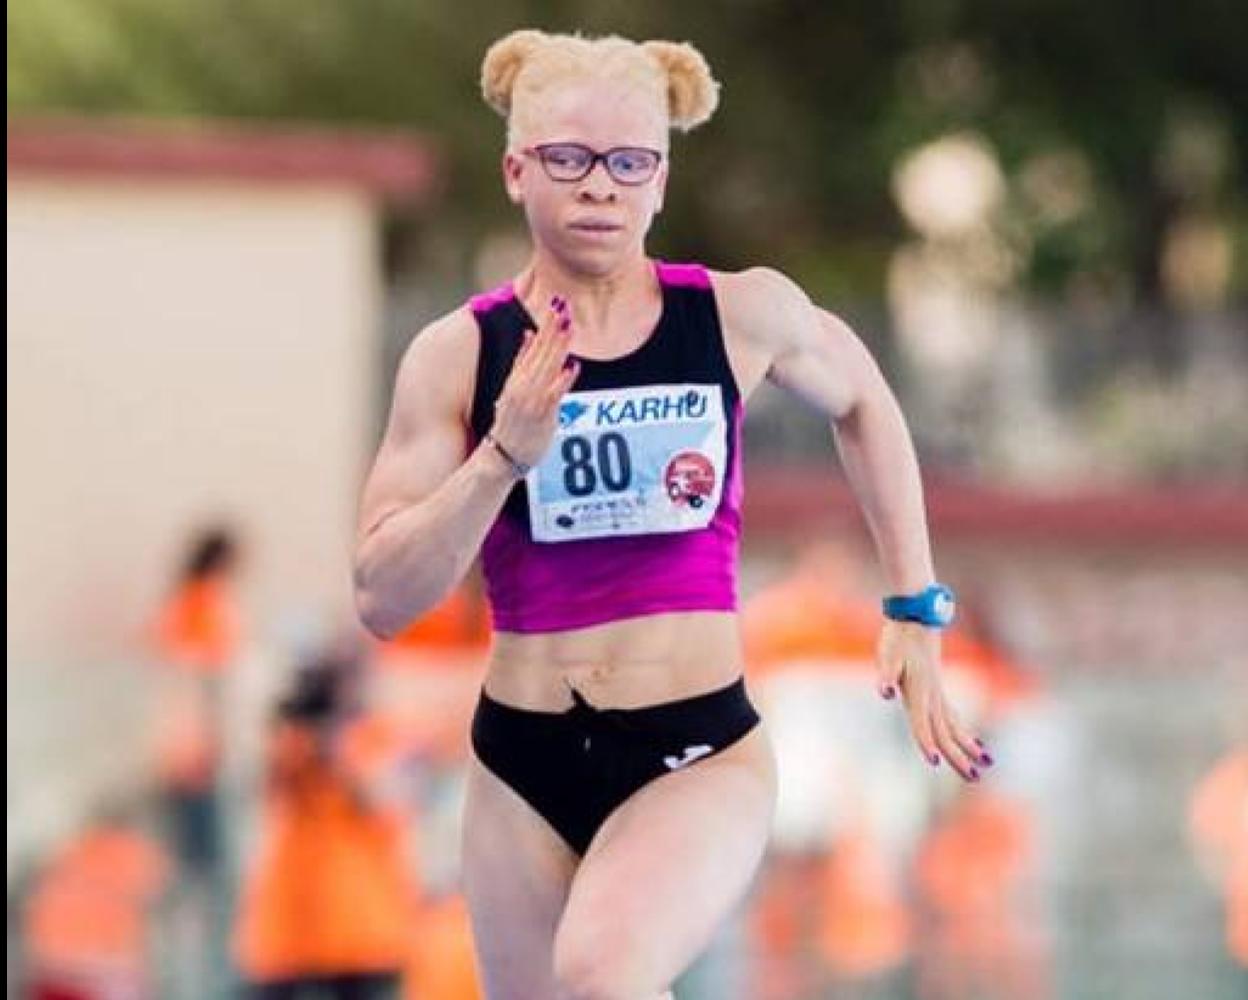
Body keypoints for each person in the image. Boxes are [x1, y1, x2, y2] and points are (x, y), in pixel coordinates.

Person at [353, 29, 993, 1000]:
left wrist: (913, 605)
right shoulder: (458, 356)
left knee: (602, 975)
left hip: (693, 746)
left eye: (629, 163)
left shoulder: (739, 317)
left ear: (660, 181)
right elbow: (382, 598)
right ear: (516, 171)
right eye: (569, 160)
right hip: (517, 762)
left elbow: (865, 401)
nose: (600, 187)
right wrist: (501, 459)